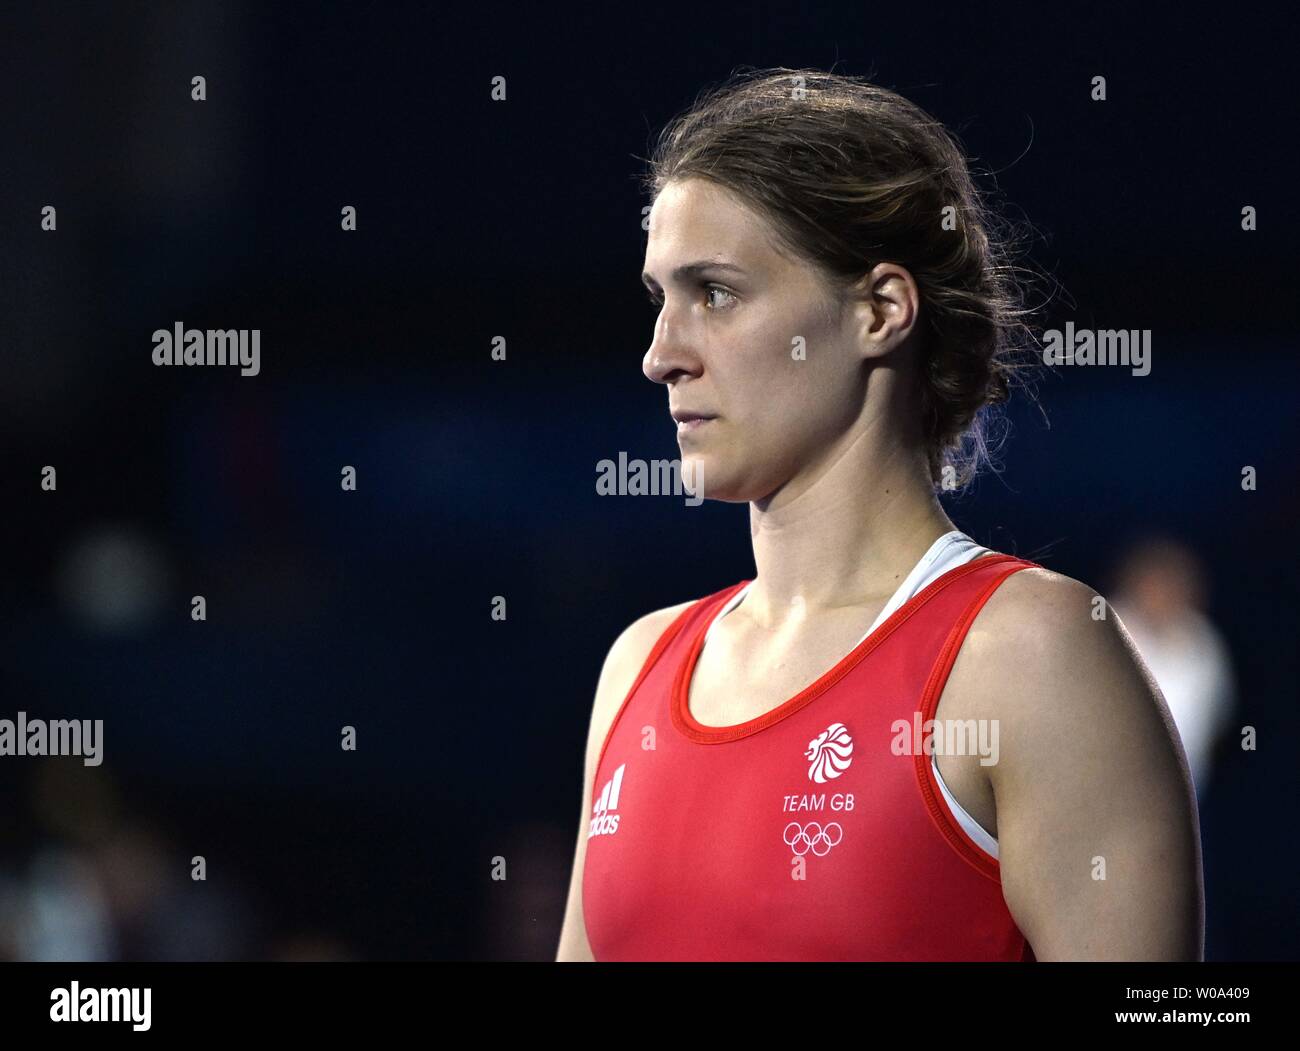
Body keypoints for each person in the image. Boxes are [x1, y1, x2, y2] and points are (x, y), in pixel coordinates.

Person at [556, 68, 1202, 961]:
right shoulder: (637, 670)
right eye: (659, 298)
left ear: (881, 309)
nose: (661, 354)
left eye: (714, 292)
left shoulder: (1032, 657)